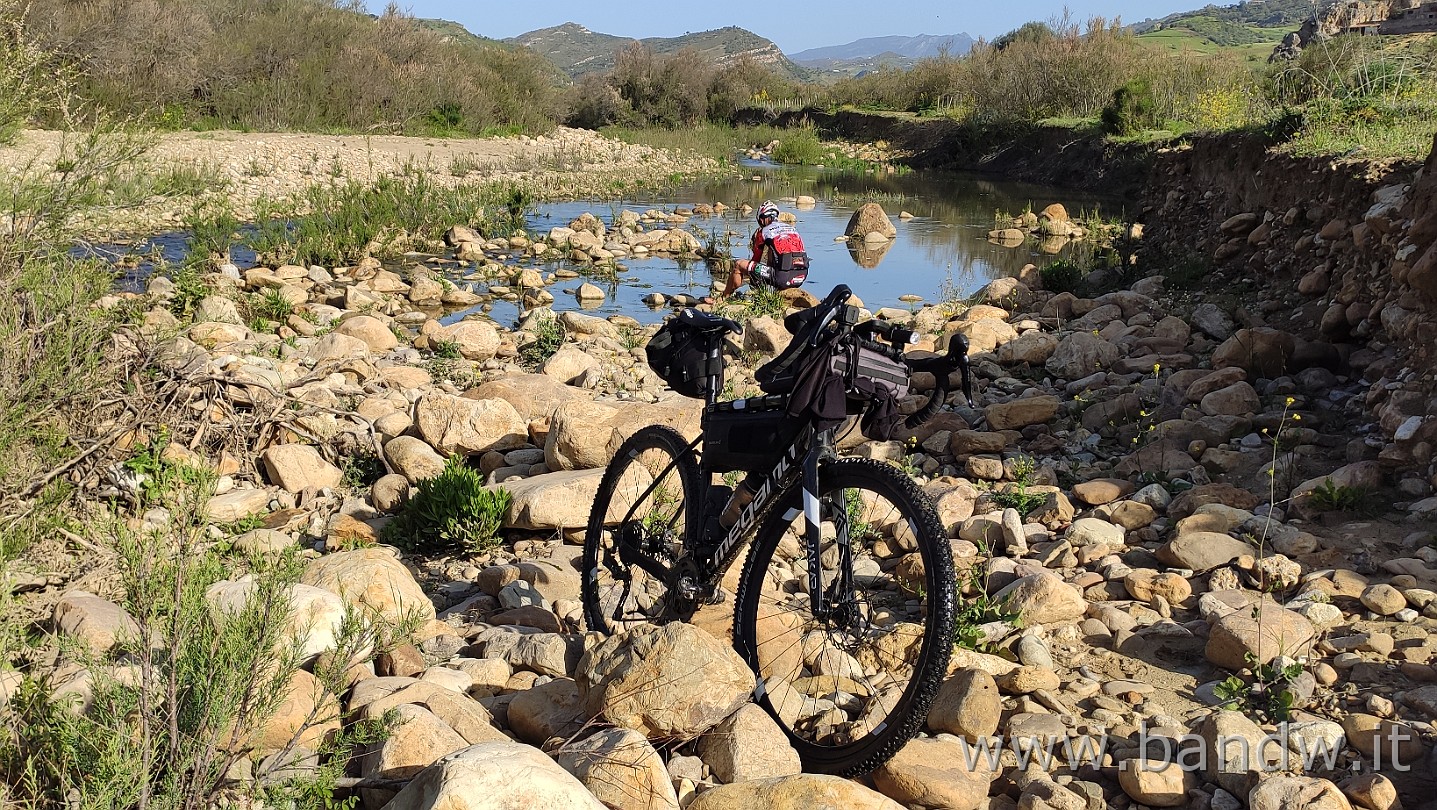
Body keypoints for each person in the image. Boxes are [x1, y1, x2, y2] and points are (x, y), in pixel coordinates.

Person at [706, 200, 809, 303]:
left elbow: (756, 260)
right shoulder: (792, 229)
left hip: (782, 278)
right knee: (778, 260)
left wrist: (752, 279)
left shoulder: (764, 231)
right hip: (801, 276)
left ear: (762, 219)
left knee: (738, 265)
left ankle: (722, 299)